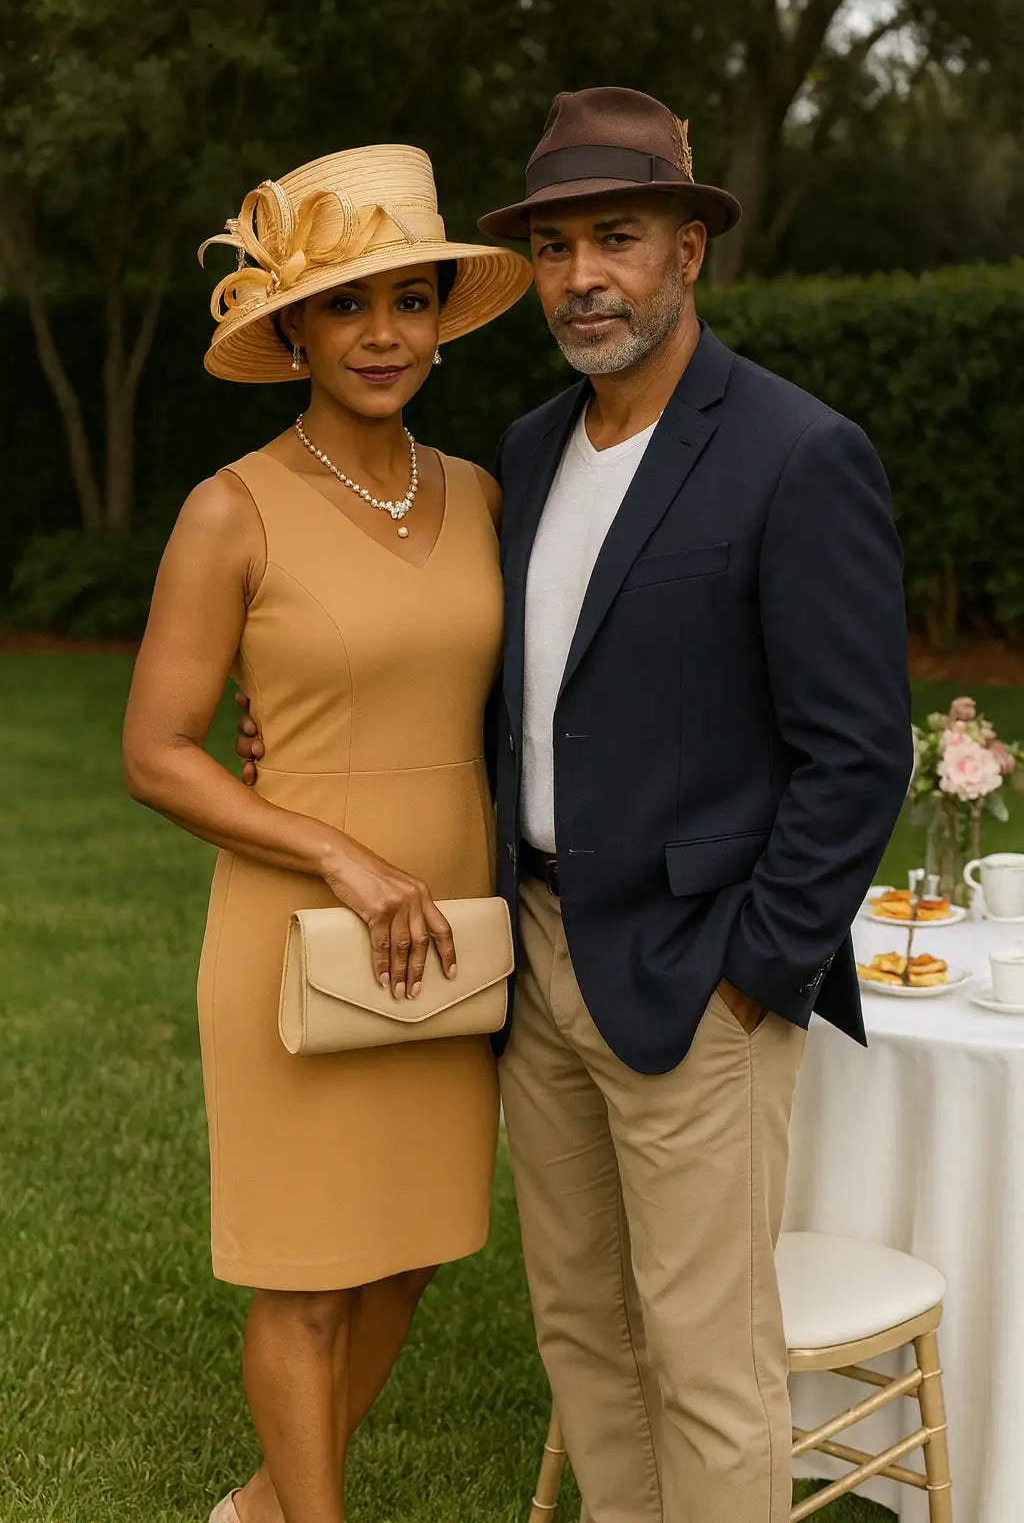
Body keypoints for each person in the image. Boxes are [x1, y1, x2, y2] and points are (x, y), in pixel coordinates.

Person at [236, 90, 914, 1522]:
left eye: (618, 237)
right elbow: (469, 670)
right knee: (587, 1344)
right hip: (533, 962)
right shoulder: (527, 454)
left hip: (698, 979)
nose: (584, 275)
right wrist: (287, 729)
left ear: (689, 254)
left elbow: (859, 755)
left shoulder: (797, 455)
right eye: (553, 248)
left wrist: (753, 976)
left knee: (707, 1359)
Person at [121, 144, 532, 1523]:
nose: (383, 336)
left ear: (438, 321)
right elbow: (154, 752)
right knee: (303, 1280)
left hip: (454, 939)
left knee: (410, 1257)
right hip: (295, 934)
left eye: (409, 301)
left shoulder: (481, 495)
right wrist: (337, 850)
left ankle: (257, 1507)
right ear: (291, 325)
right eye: (349, 306)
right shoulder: (230, 509)